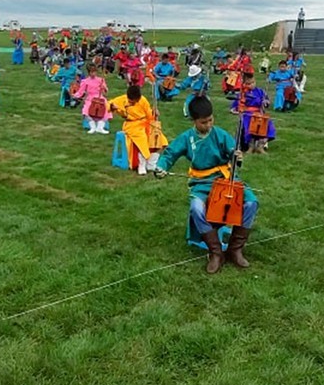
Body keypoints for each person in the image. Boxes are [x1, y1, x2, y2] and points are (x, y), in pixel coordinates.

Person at [154, 95, 258, 273]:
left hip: (226, 179)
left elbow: (233, 151)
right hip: (201, 183)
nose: (208, 125)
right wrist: (161, 167)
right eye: (203, 122)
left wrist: (237, 156)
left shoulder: (220, 134)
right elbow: (170, 153)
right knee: (196, 208)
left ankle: (235, 249)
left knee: (251, 203)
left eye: (210, 120)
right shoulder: (187, 138)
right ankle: (216, 252)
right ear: (194, 121)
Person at [108, 84, 166, 175]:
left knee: (160, 140)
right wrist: (112, 107)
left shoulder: (143, 100)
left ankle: (151, 163)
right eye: (132, 101)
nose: (134, 102)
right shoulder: (122, 100)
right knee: (142, 140)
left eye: (136, 101)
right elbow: (108, 104)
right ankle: (141, 165)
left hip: (146, 122)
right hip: (132, 125)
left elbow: (149, 114)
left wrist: (154, 113)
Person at [231, 72, 274, 153]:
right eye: (248, 83)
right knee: (248, 125)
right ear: (243, 83)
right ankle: (250, 146)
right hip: (247, 113)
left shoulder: (260, 91)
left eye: (253, 82)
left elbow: (266, 101)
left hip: (259, 113)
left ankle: (260, 145)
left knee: (267, 123)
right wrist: (235, 110)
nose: (251, 85)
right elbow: (235, 106)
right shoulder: (242, 93)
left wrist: (265, 103)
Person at [72, 64, 112, 134]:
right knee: (87, 110)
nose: (93, 73)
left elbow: (106, 91)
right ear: (89, 72)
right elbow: (81, 92)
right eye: (91, 72)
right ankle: (92, 127)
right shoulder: (85, 81)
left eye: (94, 72)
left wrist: (104, 88)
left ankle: (100, 127)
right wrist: (75, 95)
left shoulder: (101, 80)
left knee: (106, 108)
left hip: (100, 98)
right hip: (90, 98)